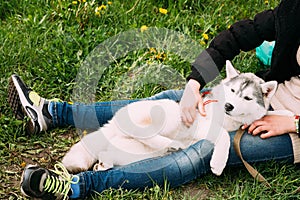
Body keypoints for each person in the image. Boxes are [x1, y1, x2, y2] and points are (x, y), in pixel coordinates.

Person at [9, 0, 300, 199]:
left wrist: (293, 122)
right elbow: (237, 36)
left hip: (289, 128)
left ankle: (77, 186)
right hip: (257, 98)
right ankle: (52, 112)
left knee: (201, 151)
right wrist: (194, 84)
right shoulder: (293, 10)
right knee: (167, 102)